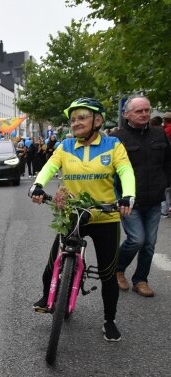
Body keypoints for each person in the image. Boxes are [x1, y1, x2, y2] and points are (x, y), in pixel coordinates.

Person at [29, 97, 136, 342]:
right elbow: (49, 167)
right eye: (73, 119)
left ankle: (110, 320)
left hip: (105, 216)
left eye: (82, 118)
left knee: (109, 273)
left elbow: (125, 170)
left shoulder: (113, 144)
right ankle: (48, 295)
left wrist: (128, 195)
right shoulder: (65, 146)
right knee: (53, 260)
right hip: (73, 213)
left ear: (97, 121)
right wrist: (37, 185)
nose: (75, 122)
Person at [112, 96, 171, 297]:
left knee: (149, 244)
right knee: (137, 239)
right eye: (139, 111)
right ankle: (118, 269)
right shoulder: (117, 138)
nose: (145, 114)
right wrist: (117, 197)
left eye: (147, 110)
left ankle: (141, 280)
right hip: (130, 201)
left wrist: (165, 184)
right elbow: (112, 172)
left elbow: (168, 163)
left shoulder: (159, 133)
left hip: (154, 198)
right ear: (127, 114)